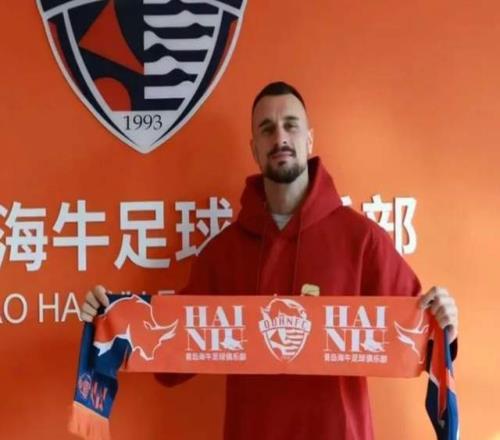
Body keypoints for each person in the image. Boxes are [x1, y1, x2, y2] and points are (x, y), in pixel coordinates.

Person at [81, 82, 458, 440]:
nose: (280, 137)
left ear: (309, 139)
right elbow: (172, 358)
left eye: (291, 125)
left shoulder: (361, 240)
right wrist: (110, 316)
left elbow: (421, 339)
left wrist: (446, 326)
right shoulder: (223, 252)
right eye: (267, 129)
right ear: (254, 148)